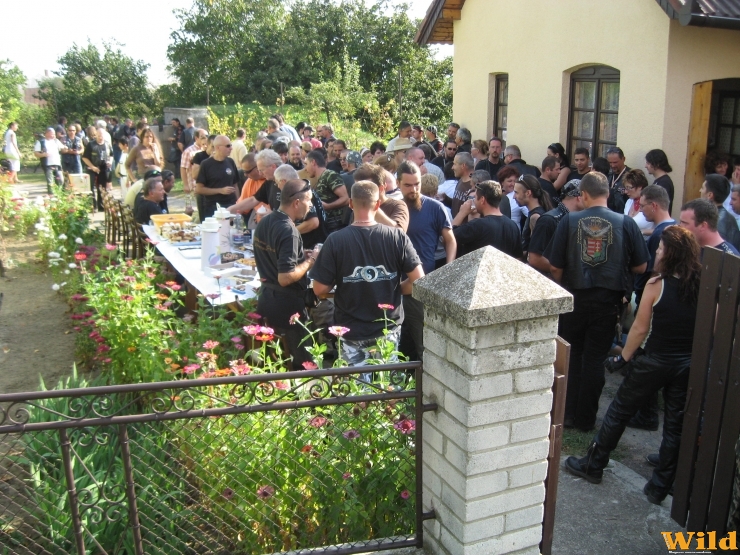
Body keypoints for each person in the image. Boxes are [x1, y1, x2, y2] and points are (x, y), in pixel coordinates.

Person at [564, 226, 700, 506]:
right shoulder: (701, 284)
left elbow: (639, 327)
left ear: (671, 253)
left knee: (619, 411)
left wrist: (623, 358)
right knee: (674, 426)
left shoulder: (657, 284)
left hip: (655, 360)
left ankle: (593, 464)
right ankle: (660, 486)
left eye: (660, 249)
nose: (657, 253)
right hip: (685, 363)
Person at [548, 171, 649, 431]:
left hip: (575, 298)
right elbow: (641, 265)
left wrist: (563, 286)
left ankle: (568, 415)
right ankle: (586, 419)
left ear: (583, 194)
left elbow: (555, 265)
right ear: (607, 193)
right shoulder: (626, 223)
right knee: (594, 360)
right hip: (608, 301)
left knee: (572, 356)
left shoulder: (569, 221)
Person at [310, 180, 424, 367]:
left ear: (350, 204)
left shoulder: (335, 240)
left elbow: (319, 288)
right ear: (378, 205)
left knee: (355, 383)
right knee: (385, 381)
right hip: (387, 327)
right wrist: (395, 289)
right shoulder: (397, 237)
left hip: (350, 328)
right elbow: (419, 280)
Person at [253, 179, 318, 371]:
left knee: (274, 365)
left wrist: (300, 255)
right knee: (304, 367)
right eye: (309, 200)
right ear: (297, 202)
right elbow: (285, 277)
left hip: (267, 302)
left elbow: (274, 255)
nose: (311, 205)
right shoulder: (289, 231)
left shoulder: (265, 221)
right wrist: (311, 261)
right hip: (288, 309)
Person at [398, 161, 455, 361]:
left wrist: (449, 268)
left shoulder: (435, 207)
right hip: (394, 285)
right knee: (397, 345)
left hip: (422, 287)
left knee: (424, 345)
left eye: (417, 184)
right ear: (398, 183)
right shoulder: (393, 208)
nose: (413, 189)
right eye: (408, 185)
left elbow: (450, 240)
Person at [452, 180, 522, 259]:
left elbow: (448, 237)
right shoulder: (513, 226)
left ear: (482, 200)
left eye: (475, 198)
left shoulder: (477, 225)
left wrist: (462, 213)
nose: (474, 201)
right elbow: (518, 258)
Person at [528, 179, 583, 273]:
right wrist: (562, 271)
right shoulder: (548, 220)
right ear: (579, 198)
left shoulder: (573, 220)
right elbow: (534, 259)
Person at [353, 163, 409, 231]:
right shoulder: (357, 208)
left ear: (381, 188)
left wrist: (373, 208)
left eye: (366, 189)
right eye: (357, 188)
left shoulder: (397, 206)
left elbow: (399, 232)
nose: (360, 193)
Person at [195, 135, 239, 219]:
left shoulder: (230, 162)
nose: (231, 148)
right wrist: (220, 190)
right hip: (213, 207)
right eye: (228, 146)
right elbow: (199, 189)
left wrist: (238, 203)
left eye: (231, 145)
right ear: (218, 147)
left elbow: (235, 185)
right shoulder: (206, 164)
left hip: (230, 205)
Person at [305, 150, 348, 232]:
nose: (305, 168)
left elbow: (345, 199)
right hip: (325, 224)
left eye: (306, 164)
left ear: (313, 162)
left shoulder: (330, 175)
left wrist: (328, 206)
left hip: (334, 224)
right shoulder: (321, 178)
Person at [515, 174, 553, 255]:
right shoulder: (538, 212)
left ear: (528, 193)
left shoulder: (535, 217)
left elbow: (533, 251)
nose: (514, 197)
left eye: (516, 193)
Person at [701, 173, 740, 250]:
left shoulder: (716, 223)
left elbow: (715, 253)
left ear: (710, 195)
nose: (700, 191)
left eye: (702, 188)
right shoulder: (729, 218)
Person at [82, 128, 113, 211]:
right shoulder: (91, 145)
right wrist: (92, 167)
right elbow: (84, 158)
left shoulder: (107, 144)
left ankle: (101, 206)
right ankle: (93, 206)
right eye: (98, 136)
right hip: (92, 168)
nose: (100, 137)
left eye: (102, 136)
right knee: (91, 188)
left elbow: (111, 155)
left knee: (102, 188)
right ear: (96, 135)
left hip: (103, 169)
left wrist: (110, 161)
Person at [623, 169, 654, 236]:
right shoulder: (629, 201)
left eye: (628, 188)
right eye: (625, 188)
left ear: (640, 187)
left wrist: (643, 232)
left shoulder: (650, 203)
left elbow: (661, 228)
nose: (625, 191)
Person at [497, 165, 528, 231]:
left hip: (513, 232)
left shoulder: (518, 196)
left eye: (515, 181)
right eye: (510, 181)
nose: (513, 184)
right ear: (502, 182)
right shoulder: (496, 194)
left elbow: (529, 213)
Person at [34, 127, 64, 193]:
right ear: (47, 134)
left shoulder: (56, 141)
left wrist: (66, 148)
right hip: (47, 164)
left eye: (54, 134)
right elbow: (36, 153)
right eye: (52, 134)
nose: (53, 135)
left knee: (60, 180)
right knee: (50, 181)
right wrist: (43, 155)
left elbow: (63, 148)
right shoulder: (40, 142)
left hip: (57, 163)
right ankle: (51, 194)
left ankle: (59, 193)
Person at [645, 149, 675, 213]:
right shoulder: (659, 181)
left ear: (656, 164)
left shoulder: (664, 183)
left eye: (648, 163)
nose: (646, 166)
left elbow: (659, 206)